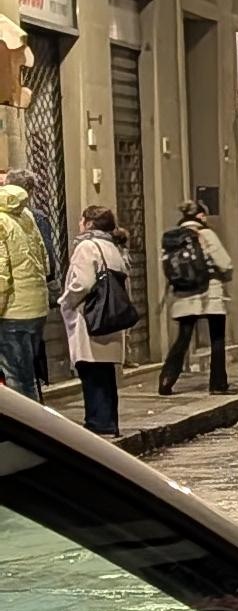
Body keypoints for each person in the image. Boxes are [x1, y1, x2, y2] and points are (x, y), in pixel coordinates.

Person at [59, 204, 134, 439]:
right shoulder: (112, 246)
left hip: (90, 318)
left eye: (82, 220)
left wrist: (66, 301)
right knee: (105, 374)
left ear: (89, 223)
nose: (79, 224)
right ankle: (109, 422)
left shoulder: (87, 247)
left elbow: (82, 283)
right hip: (110, 320)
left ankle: (98, 423)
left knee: (91, 372)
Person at [157, 188, 233, 394]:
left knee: (183, 338)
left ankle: (166, 380)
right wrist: (225, 275)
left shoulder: (172, 238)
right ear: (200, 216)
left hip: (184, 294)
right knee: (217, 338)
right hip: (210, 293)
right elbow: (224, 263)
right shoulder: (206, 234)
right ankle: (218, 384)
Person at [0, 167, 49, 400]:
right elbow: (44, 257)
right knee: (27, 376)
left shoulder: (1, 220)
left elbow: (1, 275)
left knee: (17, 380)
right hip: (35, 307)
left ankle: (29, 433)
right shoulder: (27, 214)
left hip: (13, 311)